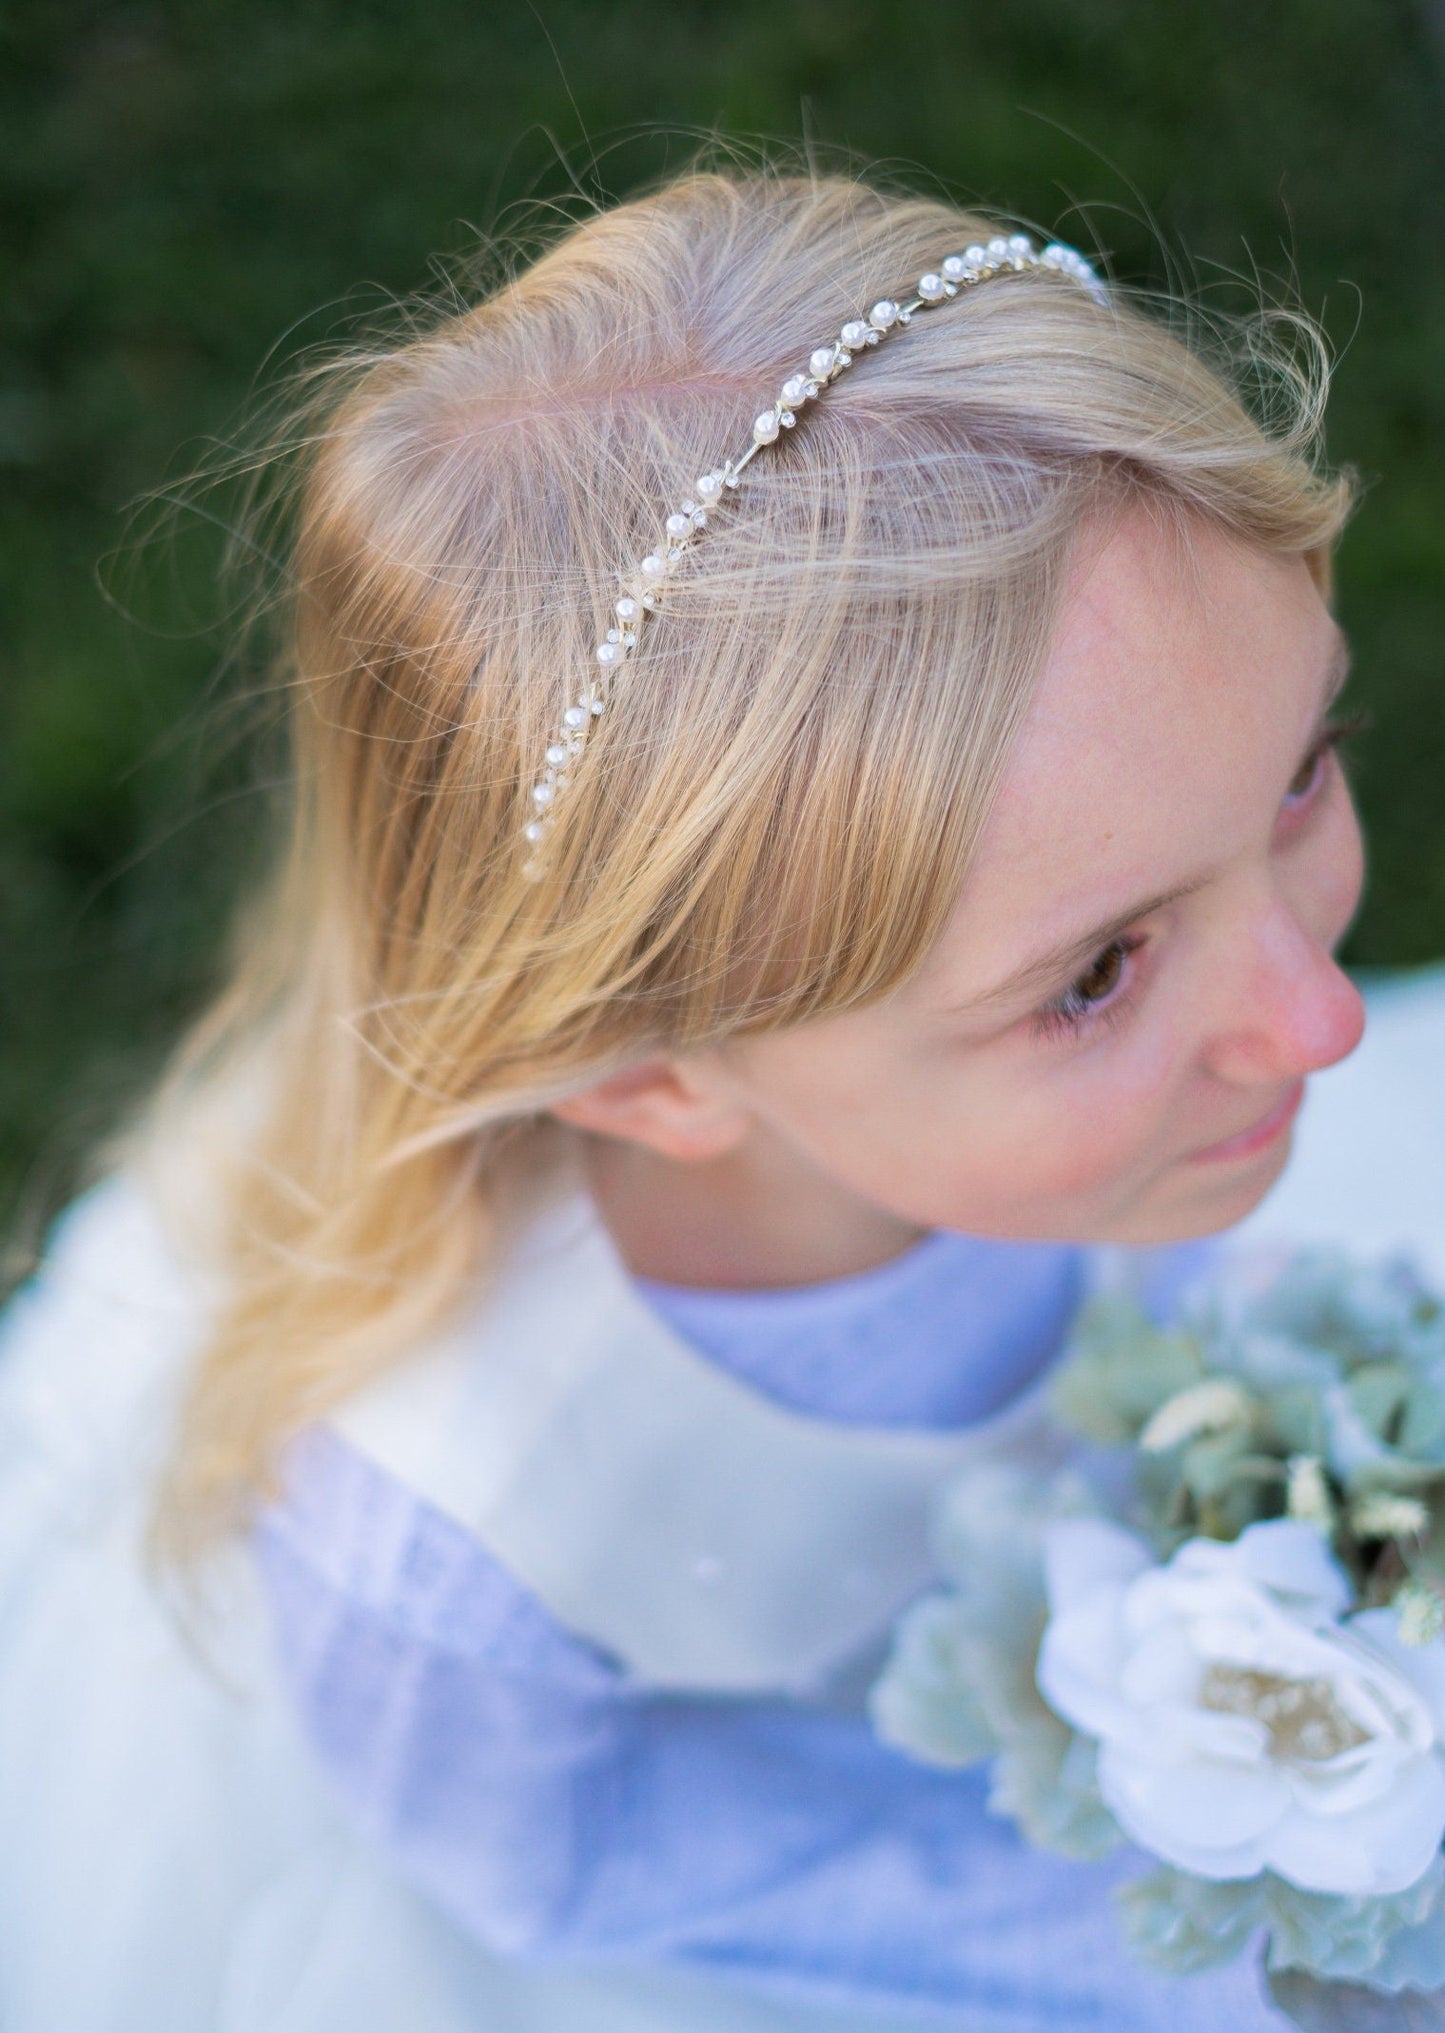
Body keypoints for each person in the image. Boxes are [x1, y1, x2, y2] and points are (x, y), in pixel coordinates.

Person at [3, 165, 1443, 2033]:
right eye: (1096, 972)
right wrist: (1154, 1922)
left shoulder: (1078, 1108)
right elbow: (560, 1855)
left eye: (1294, 777)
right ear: (648, 1076)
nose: (1318, 1020)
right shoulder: (461, 1529)